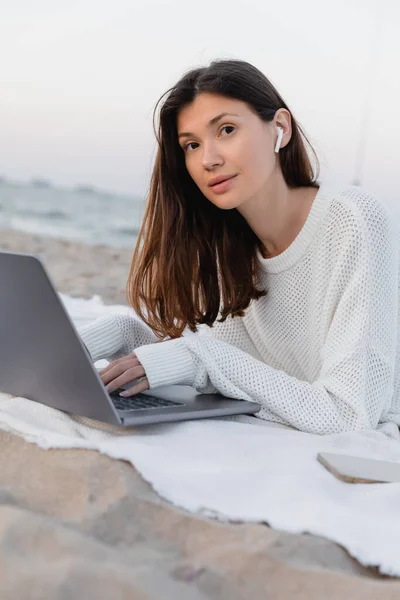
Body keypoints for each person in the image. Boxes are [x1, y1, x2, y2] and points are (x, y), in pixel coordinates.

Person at [78, 59, 400, 436]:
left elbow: (348, 414)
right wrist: (124, 334)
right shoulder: (223, 243)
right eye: (191, 145)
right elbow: (231, 369)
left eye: (226, 130)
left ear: (280, 128)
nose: (208, 159)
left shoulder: (353, 220)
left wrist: (200, 356)